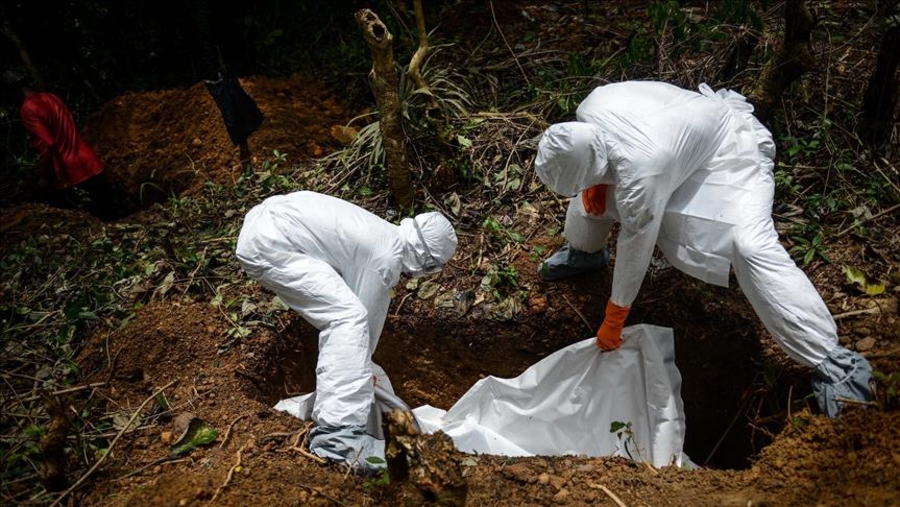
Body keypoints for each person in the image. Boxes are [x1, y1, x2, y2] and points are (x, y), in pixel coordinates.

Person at [534, 80, 872, 418]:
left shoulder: (641, 173)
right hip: (671, 150)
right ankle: (585, 252)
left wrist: (616, 314)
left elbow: (636, 243)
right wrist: (593, 185)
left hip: (729, 152)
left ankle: (835, 362)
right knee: (590, 202)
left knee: (748, 246)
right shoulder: (591, 108)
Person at [234, 191, 458, 472]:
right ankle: (337, 438)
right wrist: (363, 371)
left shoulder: (382, 236)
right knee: (347, 317)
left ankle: (335, 419)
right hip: (272, 243)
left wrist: (362, 368)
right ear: (427, 261)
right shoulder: (386, 259)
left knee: (345, 315)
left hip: (269, 228)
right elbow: (364, 325)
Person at [3, 69, 123, 220]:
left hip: (71, 174)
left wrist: (45, 177)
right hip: (90, 162)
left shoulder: (27, 109)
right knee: (111, 215)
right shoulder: (51, 97)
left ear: (11, 92)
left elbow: (48, 144)